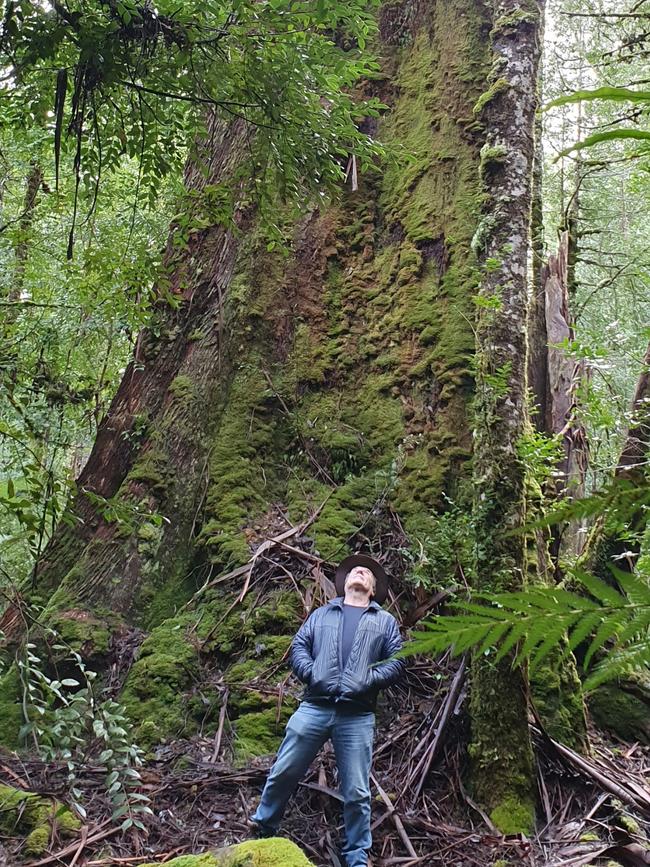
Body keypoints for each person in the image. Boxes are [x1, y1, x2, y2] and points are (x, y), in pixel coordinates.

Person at [250, 554, 404, 867]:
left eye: (367, 573)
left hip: (357, 714)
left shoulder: (384, 621)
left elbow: (397, 660)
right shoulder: (322, 614)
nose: (360, 572)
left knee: (357, 790)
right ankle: (264, 829)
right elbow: (298, 648)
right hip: (314, 706)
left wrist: (367, 681)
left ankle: (356, 855)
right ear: (344, 584)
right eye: (354, 570)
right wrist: (313, 673)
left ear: (372, 589)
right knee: (284, 770)